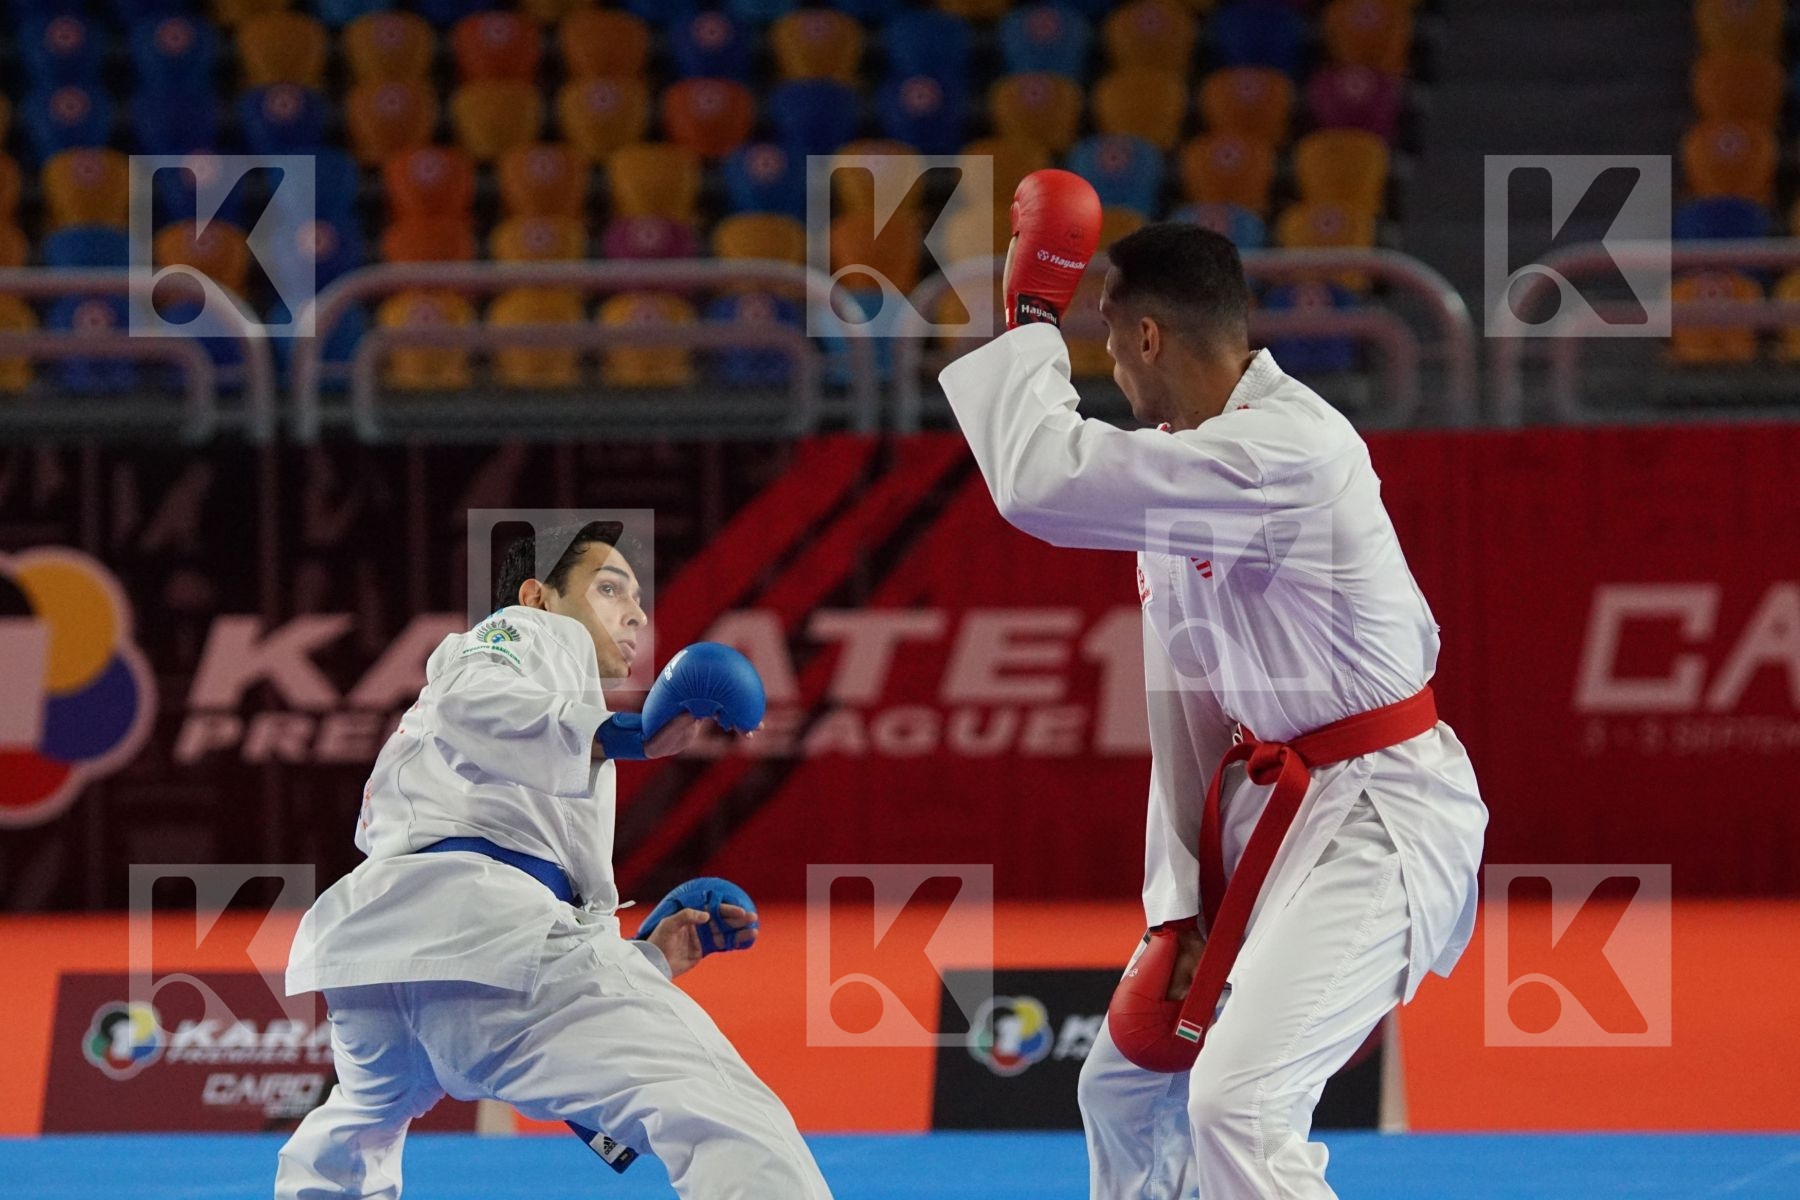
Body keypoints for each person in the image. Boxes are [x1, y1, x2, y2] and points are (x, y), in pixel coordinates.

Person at [939, 172, 1487, 1199]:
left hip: (1384, 819)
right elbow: (1186, 709)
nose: (1103, 362)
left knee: (1238, 1103)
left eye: (1105, 339)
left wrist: (1027, 317)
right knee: (1123, 1088)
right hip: (1272, 816)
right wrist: (1180, 909)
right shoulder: (1182, 465)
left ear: (1145, 337)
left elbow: (1041, 482)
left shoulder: (1287, 452)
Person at [274, 520, 833, 1200]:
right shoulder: (528, 635)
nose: (635, 612)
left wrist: (647, 957)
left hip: (383, 960)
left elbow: (519, 859)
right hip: (476, 935)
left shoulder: (547, 707)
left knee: (350, 1149)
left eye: (637, 597)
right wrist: (623, 732)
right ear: (539, 596)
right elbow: (468, 699)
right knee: (722, 1113)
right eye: (607, 588)